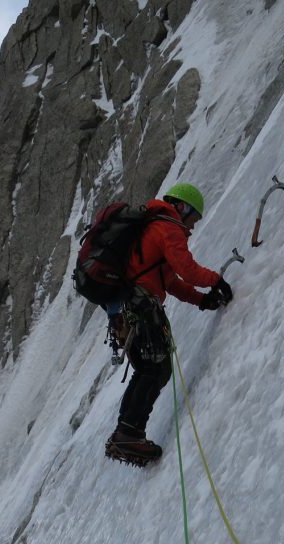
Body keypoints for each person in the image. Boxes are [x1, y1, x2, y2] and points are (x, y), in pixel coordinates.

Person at [105, 183, 234, 466]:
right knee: (156, 369)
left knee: (148, 369)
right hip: (140, 307)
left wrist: (202, 301)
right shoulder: (168, 227)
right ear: (183, 208)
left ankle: (125, 432)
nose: (193, 226)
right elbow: (186, 269)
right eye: (194, 218)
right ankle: (129, 433)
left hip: (125, 311)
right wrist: (216, 281)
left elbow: (170, 281)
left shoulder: (152, 228)